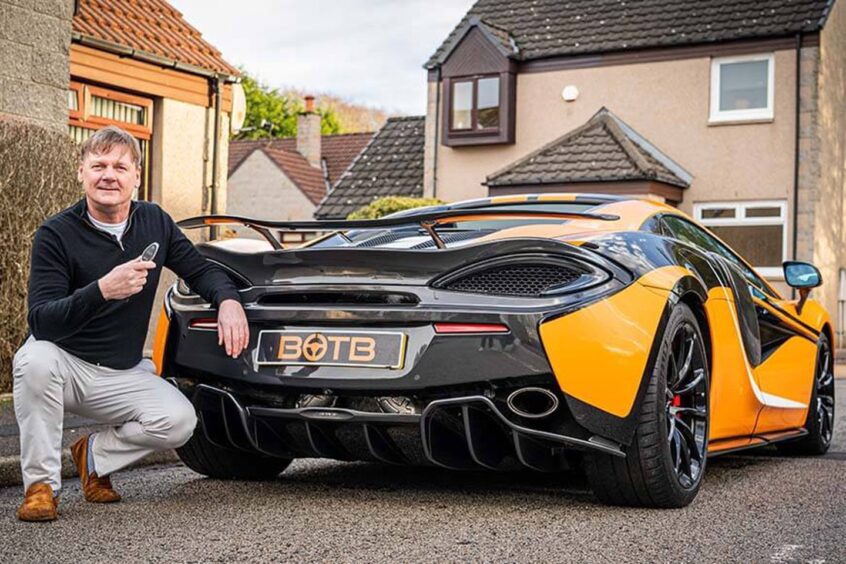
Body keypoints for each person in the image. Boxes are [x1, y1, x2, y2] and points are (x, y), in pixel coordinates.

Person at [13, 125, 249, 522]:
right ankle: (41, 488)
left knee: (179, 421)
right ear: (81, 173)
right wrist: (102, 289)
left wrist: (228, 300)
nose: (109, 174)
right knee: (34, 360)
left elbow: (199, 269)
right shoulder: (55, 233)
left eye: (120, 166)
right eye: (98, 165)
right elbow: (42, 320)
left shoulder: (154, 220)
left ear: (136, 176)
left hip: (120, 371)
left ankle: (93, 458)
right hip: (63, 366)